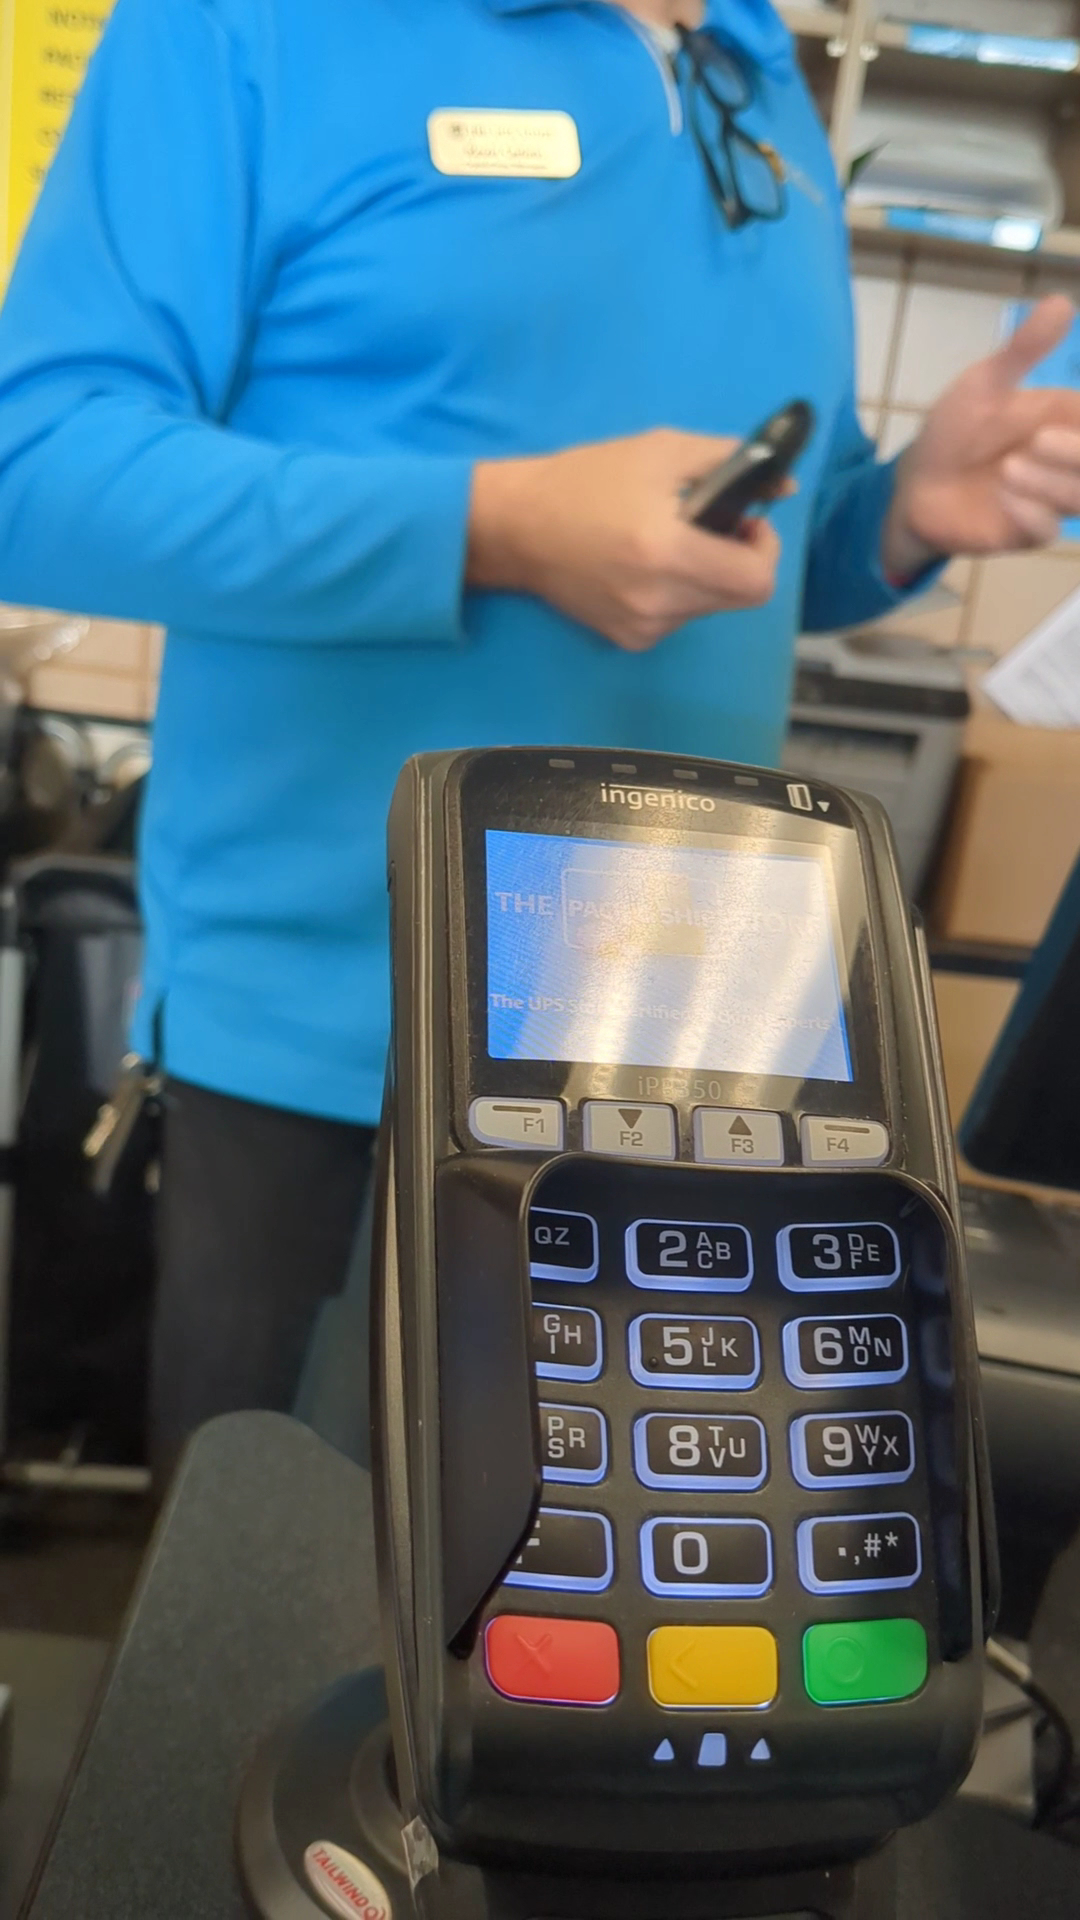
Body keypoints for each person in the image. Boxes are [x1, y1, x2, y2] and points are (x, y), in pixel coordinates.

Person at [1, 0, 1079, 1479]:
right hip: (342, 1046)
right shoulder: (244, 26)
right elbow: (39, 470)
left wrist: (895, 516)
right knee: (292, 1591)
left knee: (622, 1590)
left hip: (691, 1050)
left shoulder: (756, 67)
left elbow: (734, 555)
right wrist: (492, 527)